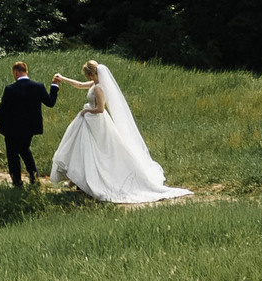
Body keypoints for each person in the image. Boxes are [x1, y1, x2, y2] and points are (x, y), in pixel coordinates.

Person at [46, 60, 189, 204]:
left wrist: (87, 111)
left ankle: (84, 180)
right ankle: (77, 180)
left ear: (90, 74)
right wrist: (62, 78)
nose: (86, 77)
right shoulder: (95, 84)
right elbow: (79, 85)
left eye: (86, 74)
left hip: (95, 121)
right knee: (83, 149)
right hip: (89, 121)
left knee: (93, 150)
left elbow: (100, 109)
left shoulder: (98, 88)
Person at [0, 60, 57, 188]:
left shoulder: (10, 89)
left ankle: (17, 182)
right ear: (26, 71)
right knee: (25, 150)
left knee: (13, 155)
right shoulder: (38, 86)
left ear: (15, 73)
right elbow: (50, 102)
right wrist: (54, 86)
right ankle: (34, 178)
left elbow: (2, 110)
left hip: (12, 129)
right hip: (30, 128)